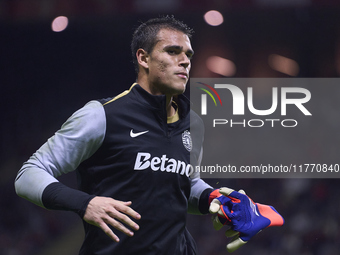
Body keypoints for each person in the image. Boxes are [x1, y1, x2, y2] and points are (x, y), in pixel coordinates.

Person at [15, 16, 283, 254]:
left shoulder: (194, 124)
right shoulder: (102, 116)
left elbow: (183, 184)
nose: (185, 61)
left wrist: (214, 199)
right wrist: (85, 203)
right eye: (172, 51)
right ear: (143, 58)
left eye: (188, 54)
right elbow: (29, 174)